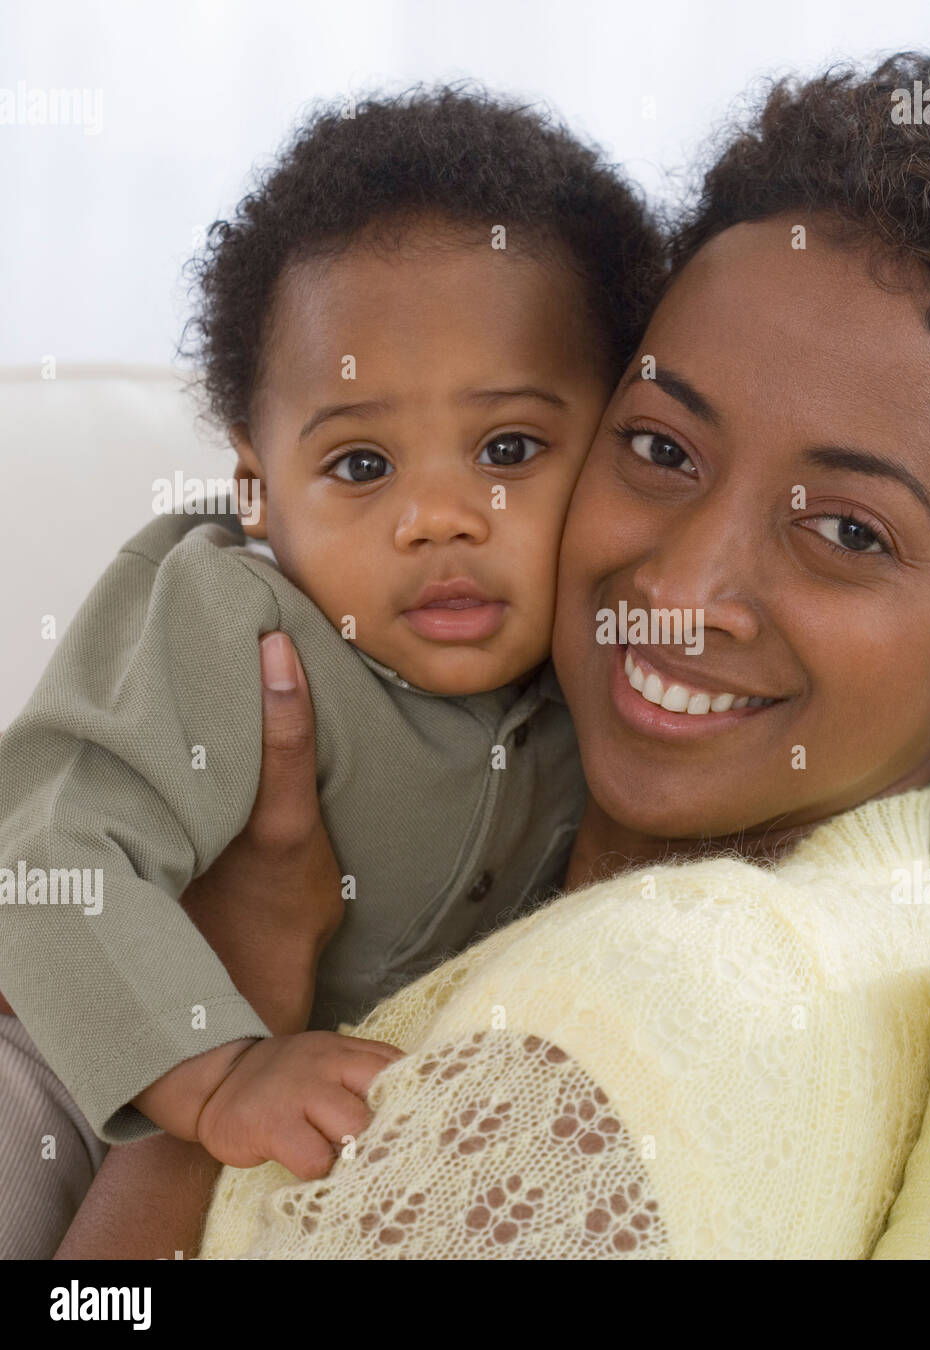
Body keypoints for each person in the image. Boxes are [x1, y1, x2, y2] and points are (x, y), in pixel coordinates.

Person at [61, 52, 930, 1259]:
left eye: (848, 531)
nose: (678, 591)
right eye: (660, 448)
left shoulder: (643, 1013)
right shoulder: (549, 815)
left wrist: (237, 1011)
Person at [0, 85, 663, 1256]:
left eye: (508, 448)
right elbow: (47, 858)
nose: (436, 517)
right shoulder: (236, 619)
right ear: (257, 488)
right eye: (360, 462)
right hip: (51, 1074)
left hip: (291, 1151)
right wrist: (219, 1069)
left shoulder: (611, 680)